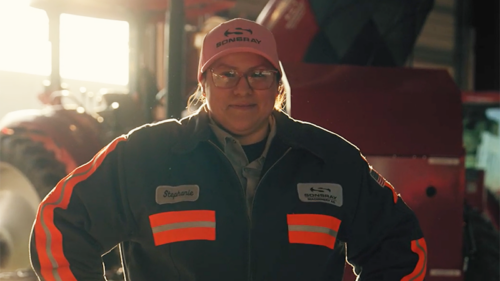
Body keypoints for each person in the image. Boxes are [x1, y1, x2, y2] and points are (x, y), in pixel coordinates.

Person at [30, 18, 427, 281]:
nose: (243, 88)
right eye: (226, 74)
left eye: (258, 74)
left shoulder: (332, 161)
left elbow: (402, 245)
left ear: (277, 85)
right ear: (203, 85)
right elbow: (59, 224)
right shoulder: (144, 156)